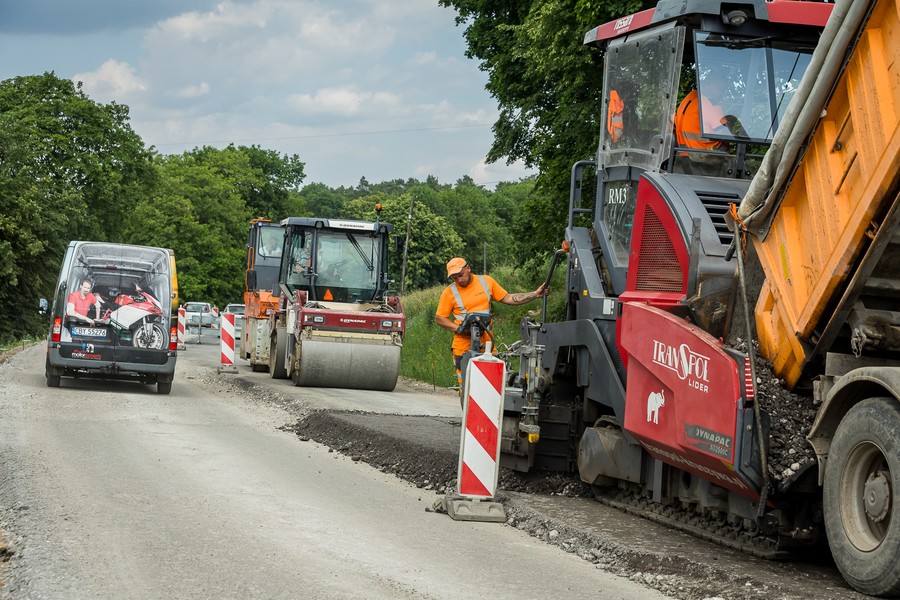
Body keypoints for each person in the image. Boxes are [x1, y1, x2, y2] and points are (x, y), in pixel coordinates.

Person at [435, 257, 547, 392]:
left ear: (468, 268)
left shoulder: (486, 282)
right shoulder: (449, 292)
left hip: (488, 345)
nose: (459, 280)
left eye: (460, 275)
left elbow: (508, 298)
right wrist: (460, 328)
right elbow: (440, 318)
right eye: (454, 278)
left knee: (491, 387)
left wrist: (535, 294)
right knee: (467, 389)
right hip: (462, 347)